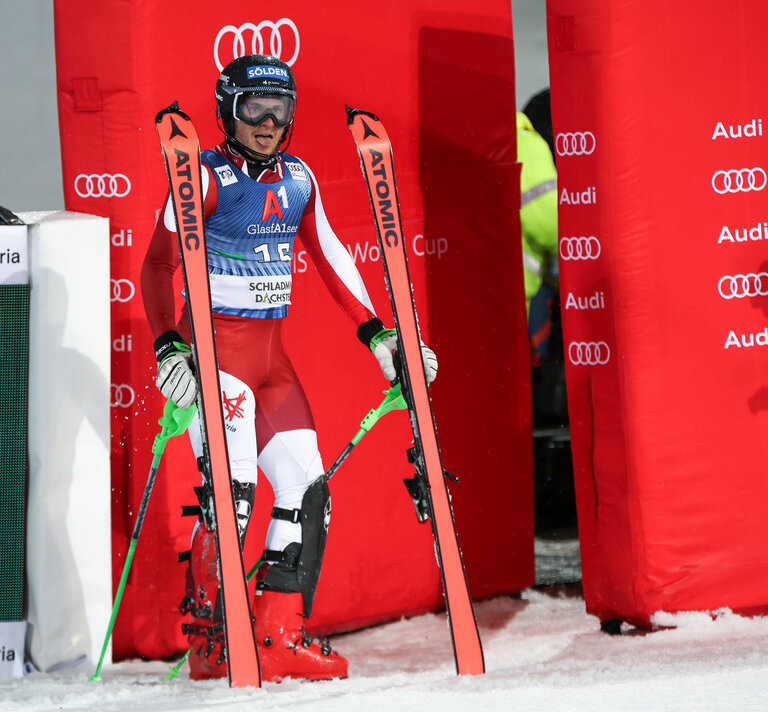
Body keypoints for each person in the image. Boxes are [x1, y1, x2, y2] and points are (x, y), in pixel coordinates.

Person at [141, 54, 437, 682]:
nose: (269, 121)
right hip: (212, 357)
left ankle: (277, 636)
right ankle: (210, 639)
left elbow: (331, 257)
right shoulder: (205, 178)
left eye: (281, 109)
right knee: (235, 490)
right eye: (254, 107)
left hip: (271, 361)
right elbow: (159, 267)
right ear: (228, 109)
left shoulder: (298, 179)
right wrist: (169, 346)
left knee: (307, 489)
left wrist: (379, 337)